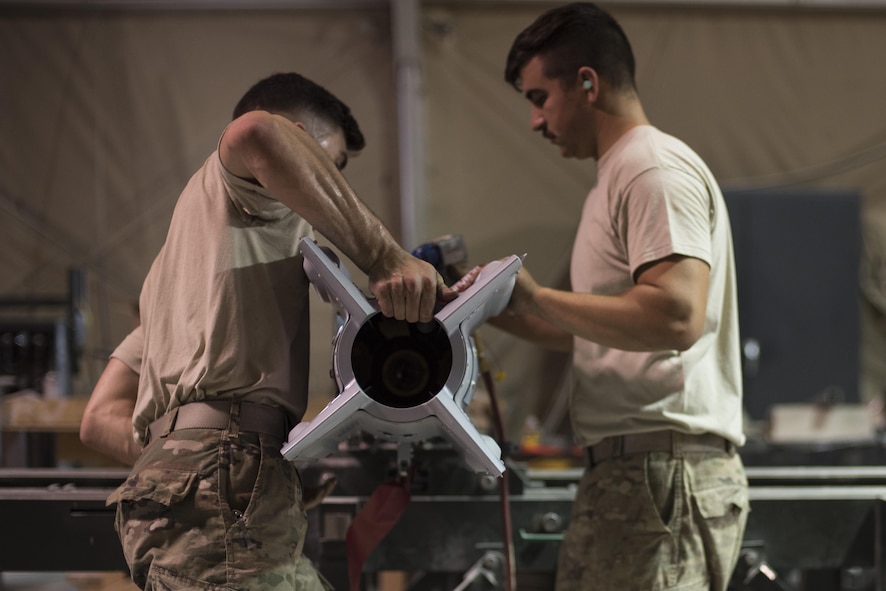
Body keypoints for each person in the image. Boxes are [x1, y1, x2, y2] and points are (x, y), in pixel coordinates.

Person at [80, 72, 455, 591]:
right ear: (296, 136)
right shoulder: (248, 181)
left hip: (211, 478)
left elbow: (98, 418)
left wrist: (193, 463)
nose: (328, 185)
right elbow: (254, 133)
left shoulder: (177, 272)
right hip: (226, 475)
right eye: (328, 165)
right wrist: (384, 256)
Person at [492, 4, 749, 590]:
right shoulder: (616, 177)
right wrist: (492, 305)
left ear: (587, 83)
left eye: (539, 98)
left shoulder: (649, 169)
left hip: (661, 474)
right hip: (635, 474)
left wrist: (534, 295)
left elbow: (675, 316)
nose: (535, 121)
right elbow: (593, 329)